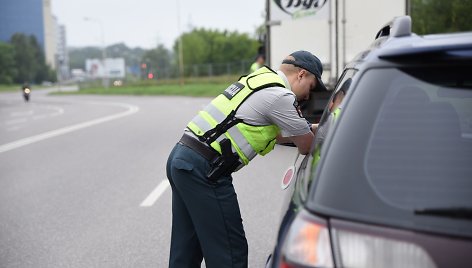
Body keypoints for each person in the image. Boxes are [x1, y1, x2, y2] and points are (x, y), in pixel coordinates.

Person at [166, 50, 327, 268]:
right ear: (301, 74)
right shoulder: (281, 97)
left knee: (186, 251)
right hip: (205, 170)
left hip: (182, 158)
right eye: (311, 86)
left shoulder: (260, 79)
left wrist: (315, 128)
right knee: (230, 253)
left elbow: (271, 131)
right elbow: (306, 145)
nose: (308, 95)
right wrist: (325, 131)